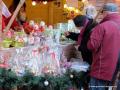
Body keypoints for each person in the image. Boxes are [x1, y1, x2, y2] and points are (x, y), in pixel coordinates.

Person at [87, 3, 120, 90]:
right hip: (115, 69)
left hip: (102, 68)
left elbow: (91, 46)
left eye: (102, 13)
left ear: (105, 12)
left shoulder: (102, 26)